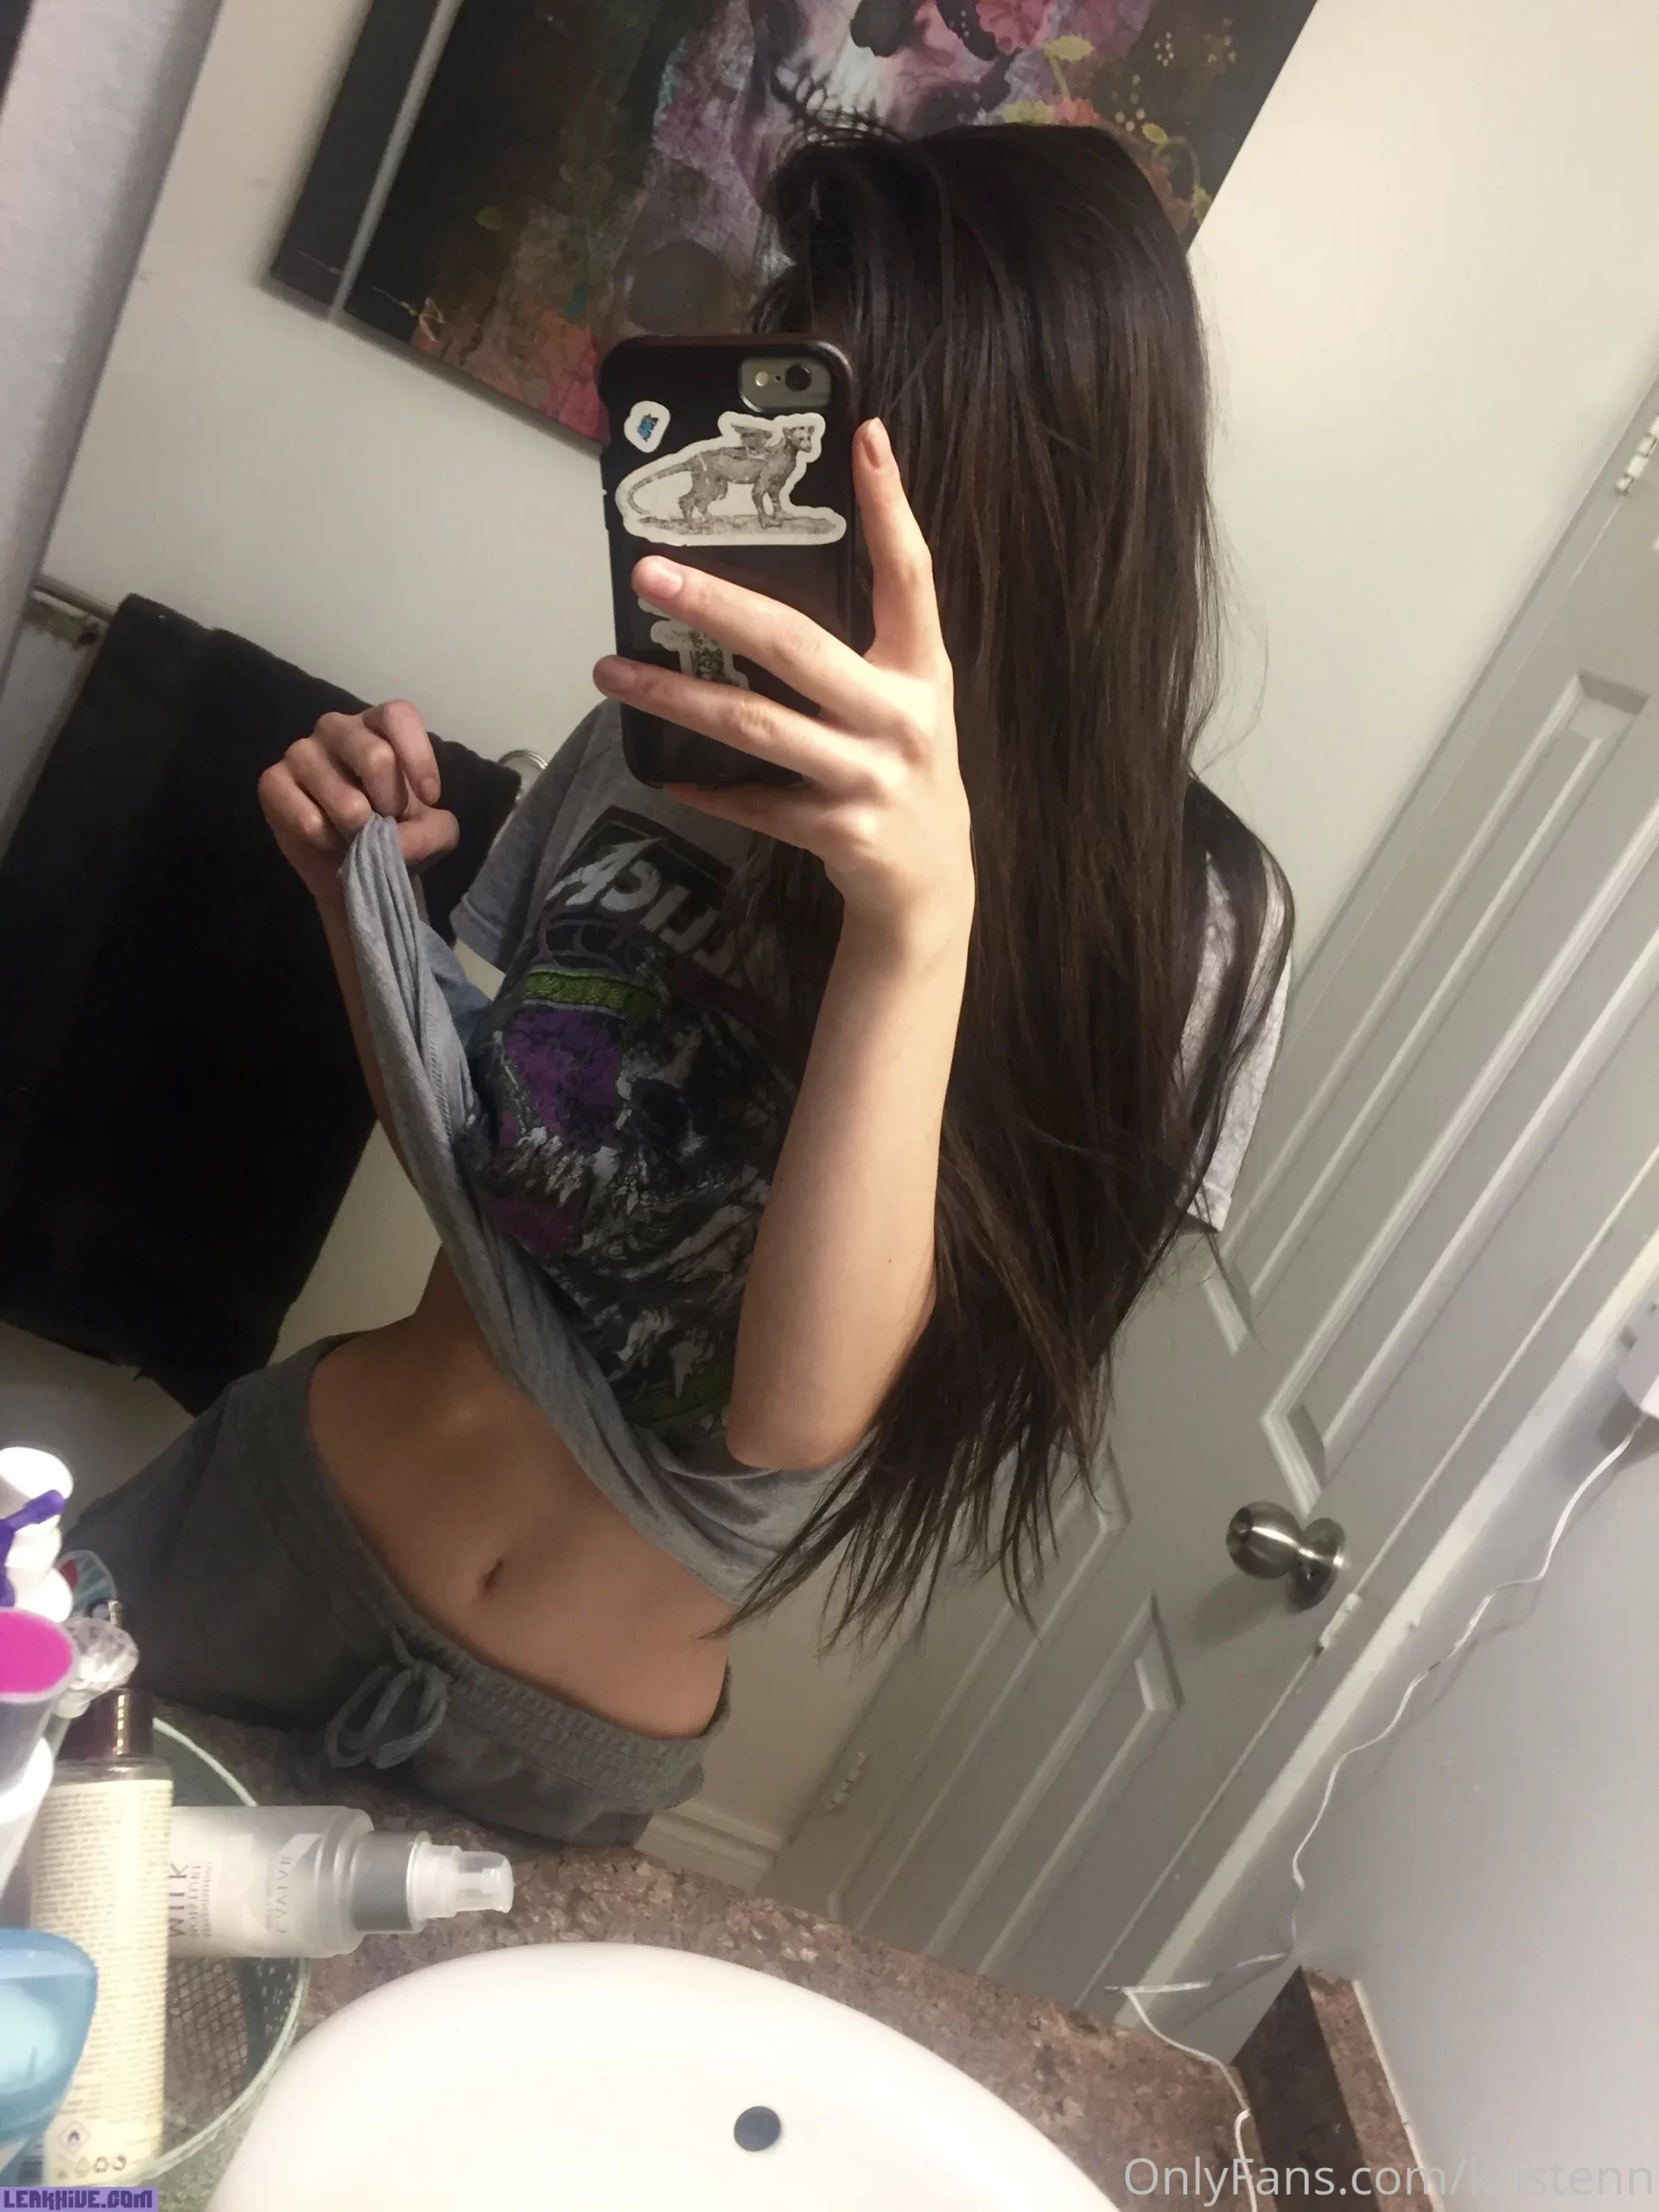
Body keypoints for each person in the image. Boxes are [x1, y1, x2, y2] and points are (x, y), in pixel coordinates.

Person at [75, 122, 1291, 1847]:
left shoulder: (1186, 929)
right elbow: (491, 1165)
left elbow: (793, 1415)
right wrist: (368, 897)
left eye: (830, 431)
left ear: (1024, 476)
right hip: (262, 1525)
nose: (762, 489)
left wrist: (915, 921)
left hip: (546, 1750)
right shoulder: (672, 723)